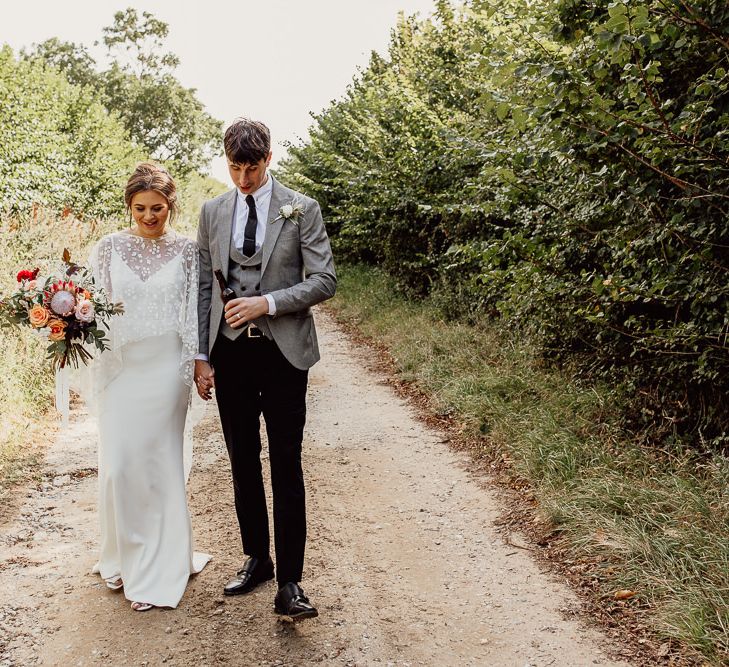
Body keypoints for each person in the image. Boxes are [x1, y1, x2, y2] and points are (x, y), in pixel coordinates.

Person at [194, 118, 336, 620]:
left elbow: (324, 280)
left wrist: (269, 303)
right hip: (230, 354)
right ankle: (258, 558)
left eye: (251, 168)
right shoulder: (212, 211)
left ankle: (292, 584)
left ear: (268, 159)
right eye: (234, 167)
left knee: (285, 461)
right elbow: (204, 289)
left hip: (282, 354)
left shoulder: (303, 208)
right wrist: (202, 356)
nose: (243, 179)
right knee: (241, 460)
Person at [88, 162, 210, 612]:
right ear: (128, 206)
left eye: (157, 208)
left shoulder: (187, 251)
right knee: (120, 465)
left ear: (170, 206)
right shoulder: (108, 248)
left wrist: (198, 363)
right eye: (140, 208)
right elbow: (91, 305)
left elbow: (194, 312)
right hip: (121, 368)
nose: (149, 216)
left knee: (158, 465)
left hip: (166, 369)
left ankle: (157, 568)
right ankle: (124, 552)